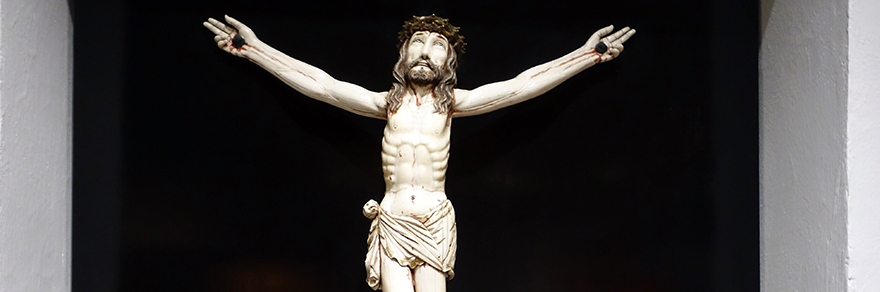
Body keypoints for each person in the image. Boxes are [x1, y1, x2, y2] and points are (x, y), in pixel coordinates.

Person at [204, 14, 634, 292]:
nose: (425, 51)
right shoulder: (383, 104)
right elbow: (320, 84)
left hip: (433, 219)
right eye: (417, 43)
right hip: (392, 219)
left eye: (437, 46)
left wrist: (586, 56)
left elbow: (521, 86)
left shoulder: (453, 105)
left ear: (449, 63)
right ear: (402, 54)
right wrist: (255, 50)